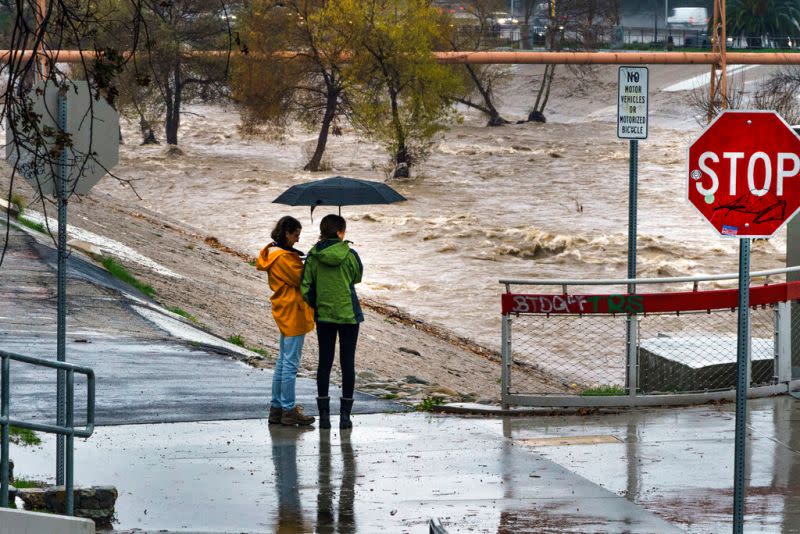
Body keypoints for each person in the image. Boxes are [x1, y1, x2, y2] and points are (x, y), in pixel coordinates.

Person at [301, 214, 363, 429]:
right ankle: (345, 417)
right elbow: (357, 277)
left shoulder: (313, 255)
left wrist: (317, 305)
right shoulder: (351, 254)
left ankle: (324, 417)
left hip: (325, 316)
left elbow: (306, 286)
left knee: (324, 363)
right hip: (349, 316)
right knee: (348, 363)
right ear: (339, 233)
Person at [257, 216, 316, 426]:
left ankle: (277, 408)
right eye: (296, 235)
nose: (298, 240)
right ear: (287, 233)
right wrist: (311, 261)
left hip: (284, 308)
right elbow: (303, 279)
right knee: (290, 364)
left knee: (283, 362)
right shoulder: (284, 258)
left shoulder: (273, 253)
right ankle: (289, 410)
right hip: (294, 311)